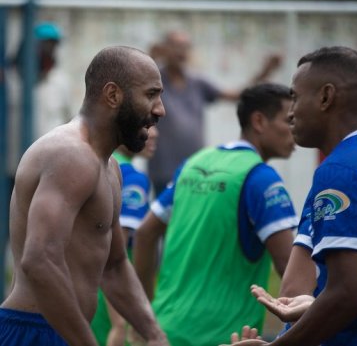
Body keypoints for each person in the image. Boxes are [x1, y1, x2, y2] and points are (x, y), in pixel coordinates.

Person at [227, 46, 357, 346]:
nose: (291, 113)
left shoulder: (340, 172)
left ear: (325, 97)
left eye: (294, 97)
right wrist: (314, 304)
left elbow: (348, 294)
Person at [0, 46, 168, 346]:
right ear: (113, 95)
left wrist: (154, 334)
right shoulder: (71, 155)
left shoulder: (109, 167)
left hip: (63, 333)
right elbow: (39, 260)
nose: (160, 109)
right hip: (34, 332)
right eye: (151, 94)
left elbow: (115, 266)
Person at [135, 82, 299, 346]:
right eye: (288, 121)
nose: (295, 130)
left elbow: (144, 233)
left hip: (164, 330)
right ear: (259, 121)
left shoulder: (195, 163)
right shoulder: (262, 179)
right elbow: (291, 270)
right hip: (225, 337)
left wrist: (145, 316)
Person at [148, 30, 283, 194]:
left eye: (185, 47)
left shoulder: (197, 81)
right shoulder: (155, 79)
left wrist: (265, 72)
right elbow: (139, 78)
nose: (181, 51)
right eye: (176, 46)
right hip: (163, 170)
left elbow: (238, 95)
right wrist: (151, 57)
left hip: (196, 169)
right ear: (165, 49)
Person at [91, 126, 159, 346]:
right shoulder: (131, 177)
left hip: (92, 288)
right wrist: (120, 322)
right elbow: (112, 253)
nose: (154, 133)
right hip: (115, 297)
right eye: (145, 125)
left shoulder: (97, 165)